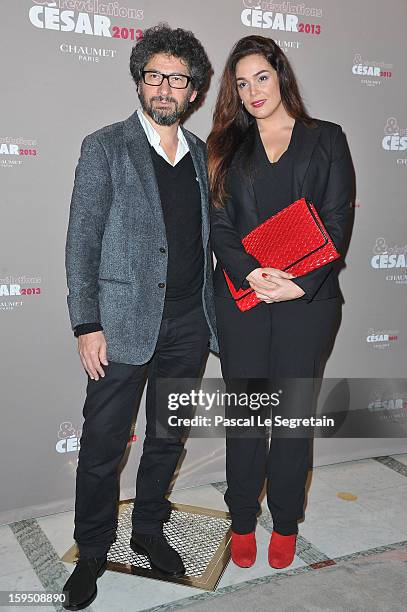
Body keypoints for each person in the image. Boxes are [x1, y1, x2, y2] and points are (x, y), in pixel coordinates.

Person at [63, 24, 217, 610]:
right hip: (121, 324)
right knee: (103, 446)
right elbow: (82, 242)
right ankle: (93, 551)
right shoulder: (105, 146)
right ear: (139, 80)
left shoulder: (204, 156)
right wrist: (86, 323)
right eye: (155, 75)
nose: (165, 88)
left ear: (193, 92)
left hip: (188, 324)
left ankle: (149, 530)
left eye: (178, 79)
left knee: (165, 440)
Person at [207, 35, 353, 570]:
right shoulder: (223, 145)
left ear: (280, 75)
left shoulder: (327, 139)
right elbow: (218, 226)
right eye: (241, 84)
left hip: (306, 300)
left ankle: (286, 521)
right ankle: (242, 517)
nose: (252, 92)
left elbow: (338, 221)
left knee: (292, 416)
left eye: (260, 78)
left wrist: (299, 282)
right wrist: (250, 274)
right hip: (243, 297)